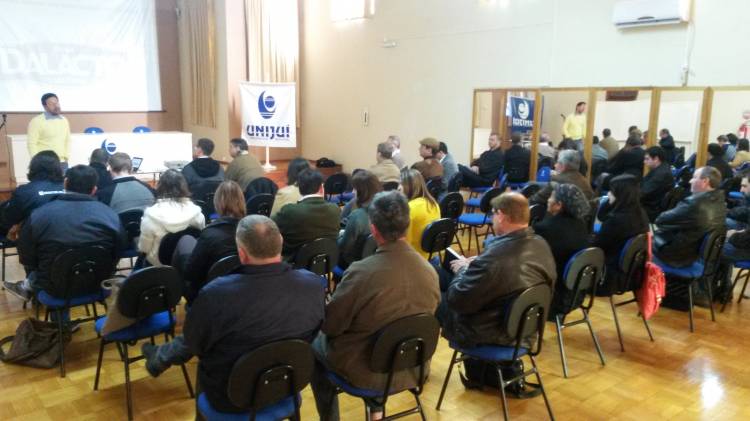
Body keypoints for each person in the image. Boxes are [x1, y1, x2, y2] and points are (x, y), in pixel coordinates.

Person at [141, 215, 325, 414]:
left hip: (229, 397)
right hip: (287, 385)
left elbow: (195, 344)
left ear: (241, 253)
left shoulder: (216, 294)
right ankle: (160, 357)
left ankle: (160, 358)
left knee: (203, 353)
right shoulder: (314, 285)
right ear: (280, 242)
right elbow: (316, 331)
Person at [311, 191, 440, 421]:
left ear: (373, 229)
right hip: (413, 366)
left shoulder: (361, 272)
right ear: (407, 225)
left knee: (315, 346)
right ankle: (376, 410)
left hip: (367, 372)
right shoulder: (429, 270)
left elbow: (331, 326)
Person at [437, 192, 556, 348]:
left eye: (492, 214)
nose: (492, 219)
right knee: (438, 275)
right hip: (524, 327)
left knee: (429, 295)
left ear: (500, 216)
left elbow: (456, 300)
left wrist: (463, 269)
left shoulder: (495, 260)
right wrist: (478, 263)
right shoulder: (541, 244)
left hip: (485, 331)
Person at [4, 165, 126, 302]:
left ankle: (28, 287)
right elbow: (120, 249)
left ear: (65, 183)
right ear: (94, 189)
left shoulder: (39, 215)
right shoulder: (110, 215)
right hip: (96, 283)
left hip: (53, 287)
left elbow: (26, 258)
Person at [181, 181, 247, 303]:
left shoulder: (209, 234)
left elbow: (190, 273)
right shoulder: (252, 232)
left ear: (217, 203)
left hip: (209, 296)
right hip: (244, 292)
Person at [532, 184, 590, 316]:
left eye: (551, 197)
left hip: (554, 296)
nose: (548, 200)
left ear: (559, 205)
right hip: (576, 291)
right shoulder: (581, 223)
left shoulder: (545, 228)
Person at [654, 166, 726, 268]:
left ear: (705, 181)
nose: (690, 181)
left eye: (694, 177)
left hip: (678, 257)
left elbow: (660, 220)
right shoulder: (721, 201)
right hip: (698, 255)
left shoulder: (694, 204)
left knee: (640, 244)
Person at [594, 175, 650, 295]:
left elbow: (596, 246)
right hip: (628, 275)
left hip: (607, 279)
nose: (608, 194)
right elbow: (602, 216)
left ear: (621, 195)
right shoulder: (640, 213)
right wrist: (611, 203)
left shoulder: (617, 220)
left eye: (612, 192)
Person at [137, 170, 205, 267]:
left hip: (157, 266)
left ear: (160, 187)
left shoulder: (150, 215)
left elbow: (144, 248)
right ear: (184, 187)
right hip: (187, 264)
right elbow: (199, 240)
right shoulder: (197, 214)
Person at [273, 169, 340, 259]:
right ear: (321, 187)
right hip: (327, 261)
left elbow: (271, 225)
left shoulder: (289, 211)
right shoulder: (335, 209)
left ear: (299, 188)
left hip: (293, 263)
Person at [0, 151, 64, 237]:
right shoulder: (69, 188)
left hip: (36, 241)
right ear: (58, 168)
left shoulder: (23, 192)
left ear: (33, 168)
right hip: (69, 239)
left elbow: (8, 221)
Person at [338, 171, 381, 270]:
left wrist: (339, 236)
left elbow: (343, 247)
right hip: (376, 261)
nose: (353, 192)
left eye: (355, 189)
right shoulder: (385, 210)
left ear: (362, 192)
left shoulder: (357, 216)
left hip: (352, 263)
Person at [400, 169, 440, 259]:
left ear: (406, 187)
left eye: (400, 184)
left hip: (415, 259)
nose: (398, 188)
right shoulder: (433, 203)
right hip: (433, 257)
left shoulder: (409, 208)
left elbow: (405, 244)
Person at [27, 93, 71, 167]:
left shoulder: (64, 120)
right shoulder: (36, 121)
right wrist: (37, 161)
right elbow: (31, 143)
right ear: (45, 106)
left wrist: (66, 157)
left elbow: (68, 140)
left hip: (62, 162)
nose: (56, 106)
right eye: (52, 104)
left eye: (57, 103)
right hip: (44, 163)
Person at [641, 146, 675, 221]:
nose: (644, 162)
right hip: (652, 205)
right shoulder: (662, 168)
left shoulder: (661, 174)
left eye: (647, 159)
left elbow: (643, 193)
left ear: (656, 159)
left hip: (651, 210)